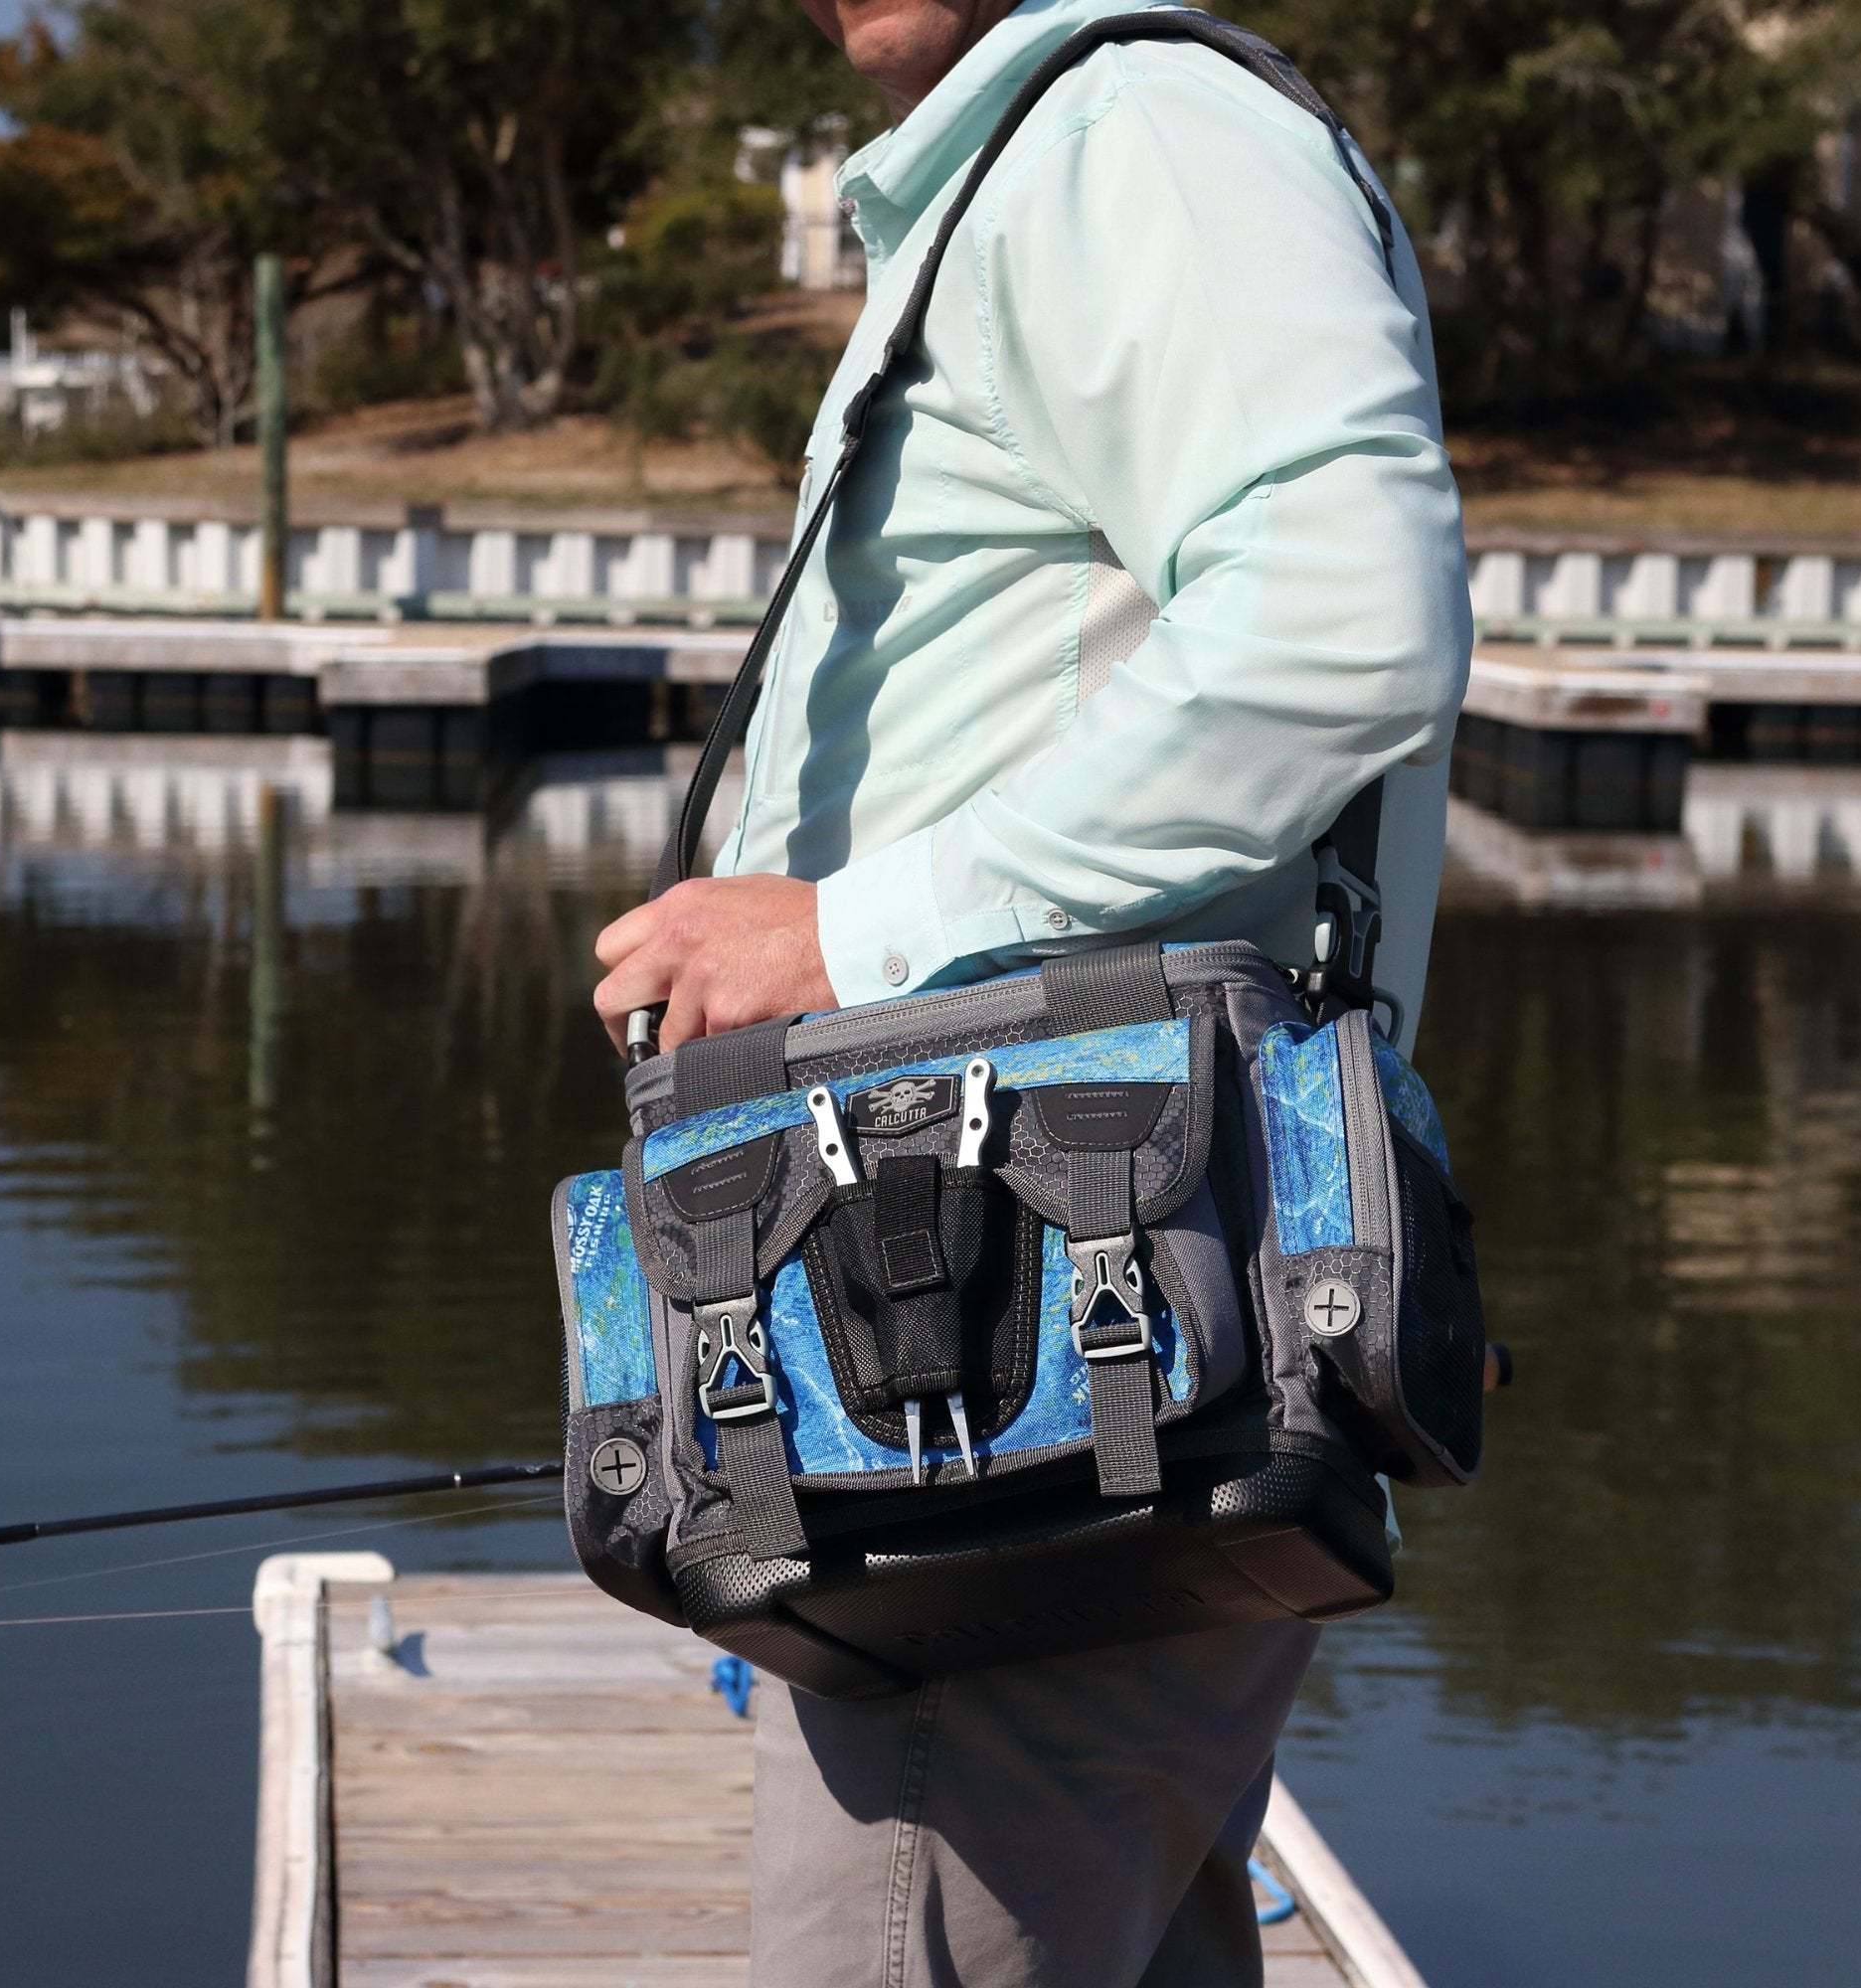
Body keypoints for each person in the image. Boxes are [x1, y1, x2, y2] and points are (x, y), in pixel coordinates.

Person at [593, 0, 1471, 1980]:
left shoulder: (1126, 134)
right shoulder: (1047, 160)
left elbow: (1346, 616)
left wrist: (847, 932)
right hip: (1058, 1381)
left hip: (1011, 1389)